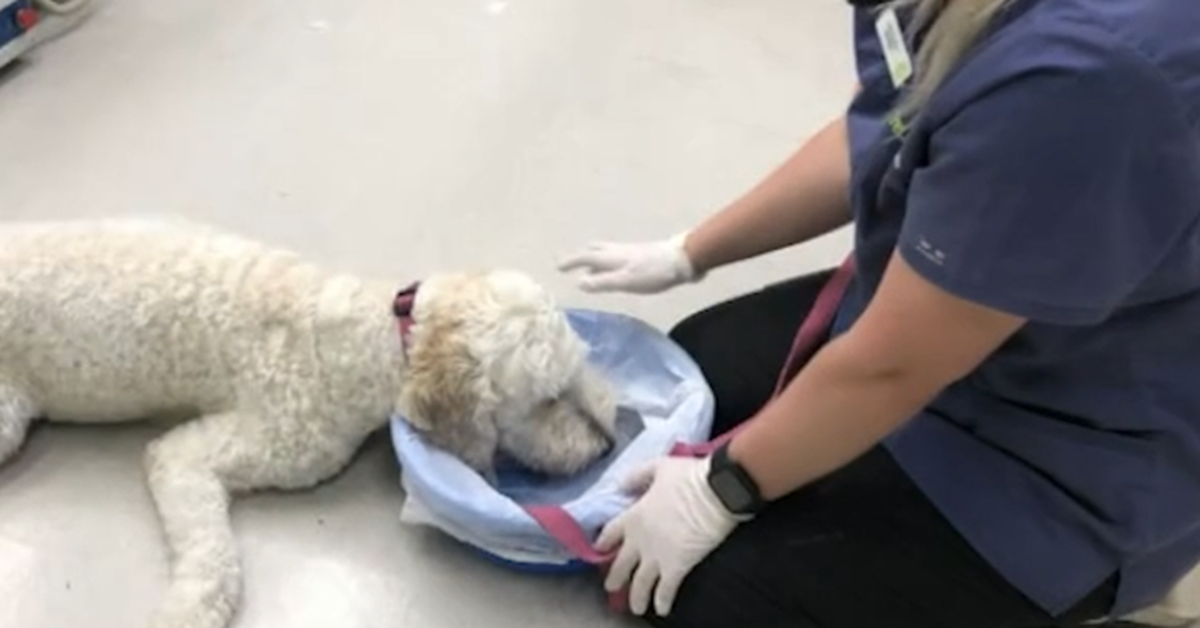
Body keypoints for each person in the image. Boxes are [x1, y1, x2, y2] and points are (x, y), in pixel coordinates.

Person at [555, 1, 1200, 627]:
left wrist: (718, 491)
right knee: (697, 369)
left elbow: (894, 368)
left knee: (714, 597)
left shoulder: (1081, 80)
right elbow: (890, 119)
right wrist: (690, 252)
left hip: (1079, 450)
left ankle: (1125, 591)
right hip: (978, 300)